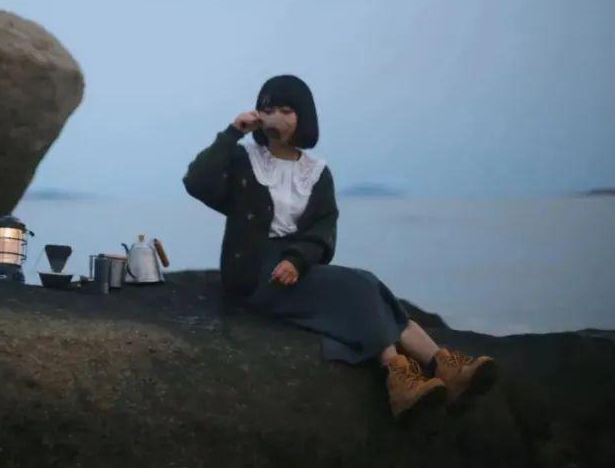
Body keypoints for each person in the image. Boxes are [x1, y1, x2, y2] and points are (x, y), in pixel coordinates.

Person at [182, 74, 498, 421]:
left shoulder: (316, 172)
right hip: (255, 272)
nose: (276, 117)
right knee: (358, 287)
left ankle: (440, 367)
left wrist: (297, 260)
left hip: (295, 266)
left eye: (286, 110)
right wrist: (233, 131)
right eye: (268, 109)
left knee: (368, 285)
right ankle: (401, 373)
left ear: (302, 117)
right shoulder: (245, 159)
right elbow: (196, 182)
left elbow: (323, 228)